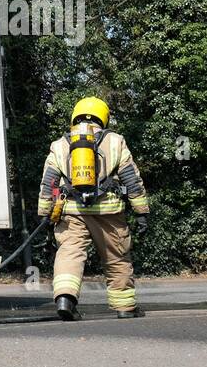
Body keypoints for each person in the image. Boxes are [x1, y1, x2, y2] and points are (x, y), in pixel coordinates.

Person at [36, 96, 150, 320]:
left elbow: (48, 184)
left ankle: (65, 300)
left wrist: (44, 215)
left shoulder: (59, 145)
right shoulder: (116, 141)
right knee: (117, 256)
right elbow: (132, 180)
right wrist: (141, 212)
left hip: (72, 212)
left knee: (70, 253)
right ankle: (125, 308)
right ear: (103, 117)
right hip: (109, 214)